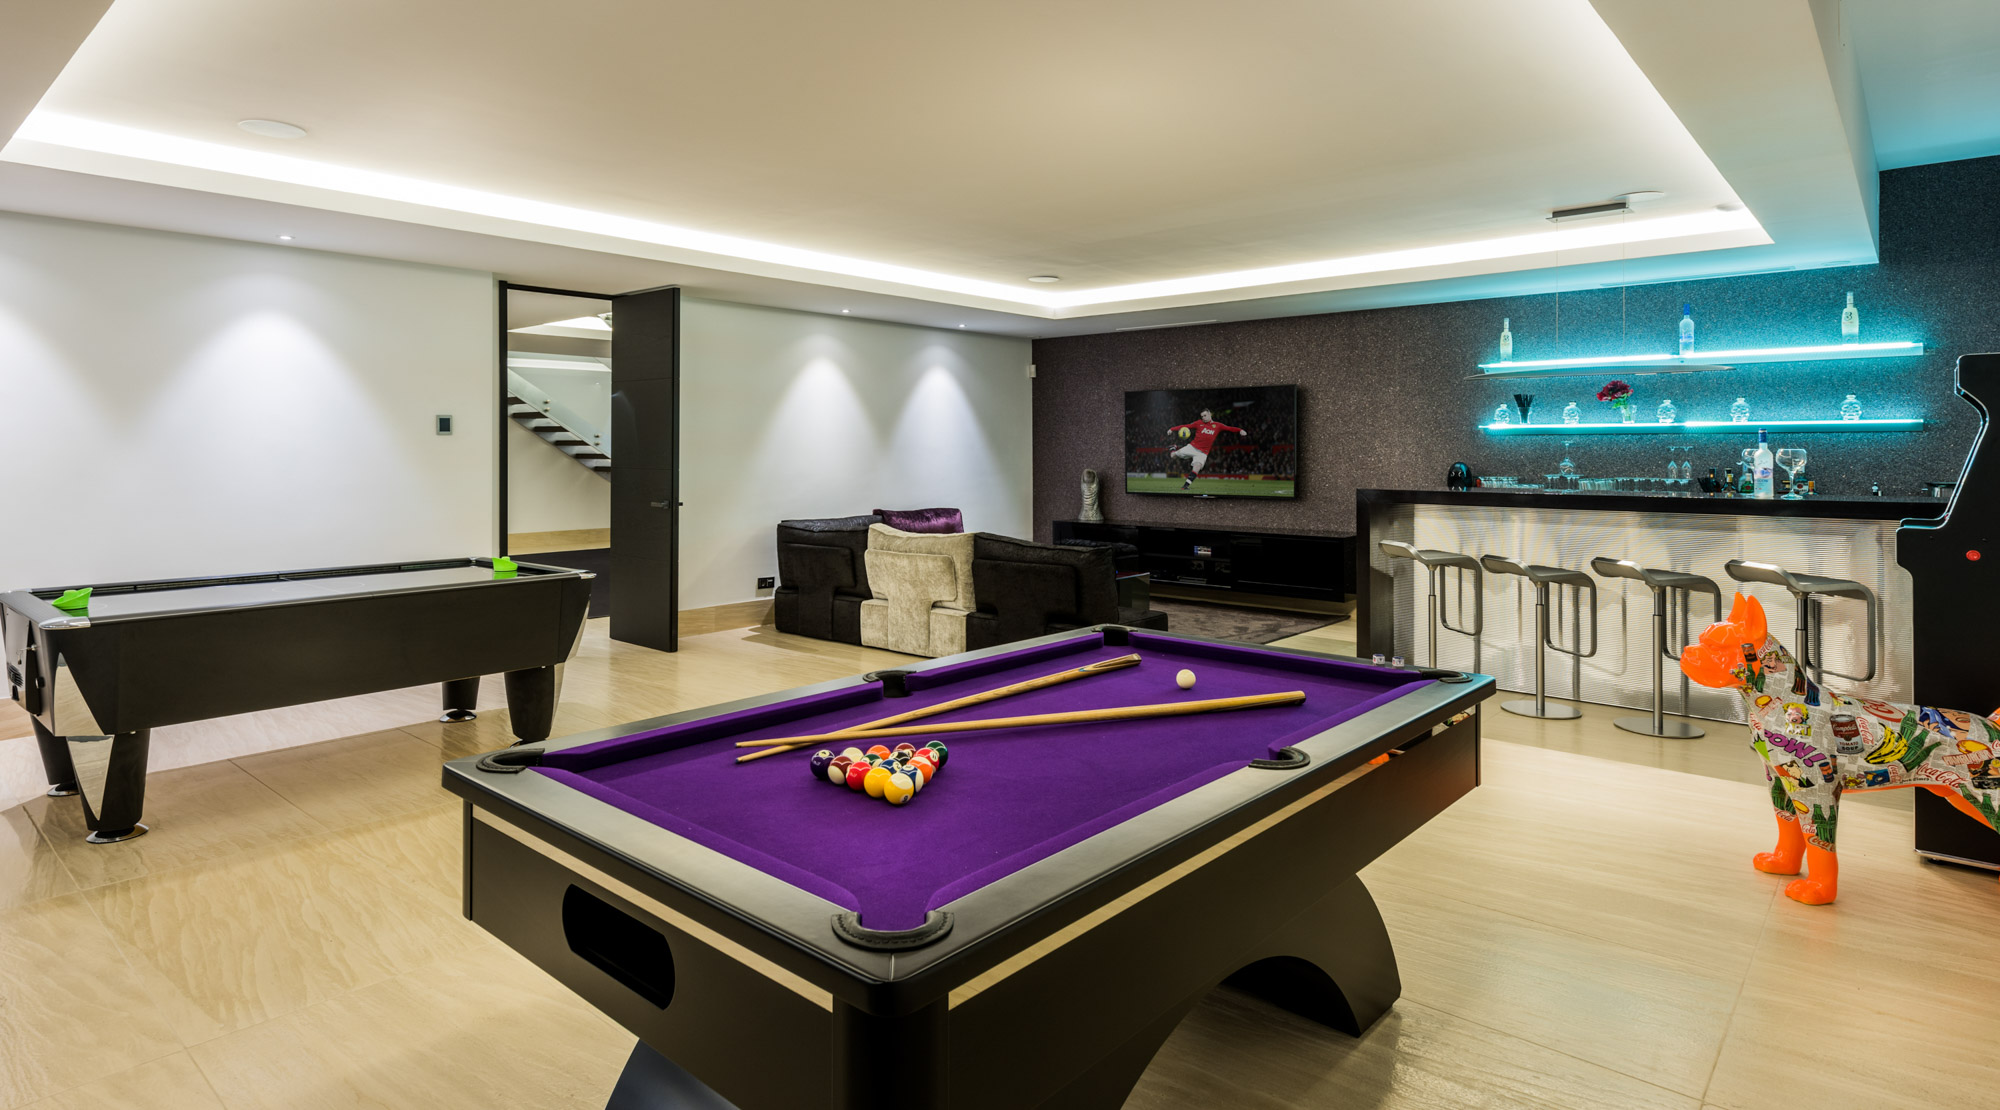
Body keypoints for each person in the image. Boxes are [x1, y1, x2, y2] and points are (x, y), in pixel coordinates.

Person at [1164, 409, 1246, 491]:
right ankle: (1173, 448)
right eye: (1202, 416)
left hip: (1203, 453)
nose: (1203, 417)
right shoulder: (1198, 423)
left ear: (1210, 414)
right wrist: (1172, 429)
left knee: (1197, 467)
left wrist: (1240, 430)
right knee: (1173, 456)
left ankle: (1185, 486)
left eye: (1205, 415)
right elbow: (1186, 426)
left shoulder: (1218, 425)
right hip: (1192, 447)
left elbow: (1229, 428)